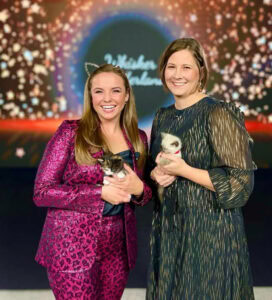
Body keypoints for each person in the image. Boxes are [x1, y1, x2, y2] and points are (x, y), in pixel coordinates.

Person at [146, 38, 256, 300]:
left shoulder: (218, 113)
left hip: (211, 236)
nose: (177, 74)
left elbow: (240, 186)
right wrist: (156, 174)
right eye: (171, 67)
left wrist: (184, 170)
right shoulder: (163, 117)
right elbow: (154, 169)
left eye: (186, 67)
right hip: (170, 232)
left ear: (201, 72)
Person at [33, 64, 152, 300]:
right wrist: (99, 193)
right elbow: (42, 191)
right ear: (90, 96)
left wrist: (140, 189)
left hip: (117, 249)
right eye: (99, 91)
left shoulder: (138, 138)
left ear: (126, 95)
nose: (107, 98)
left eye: (115, 91)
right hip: (71, 245)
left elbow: (143, 194)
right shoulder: (70, 133)